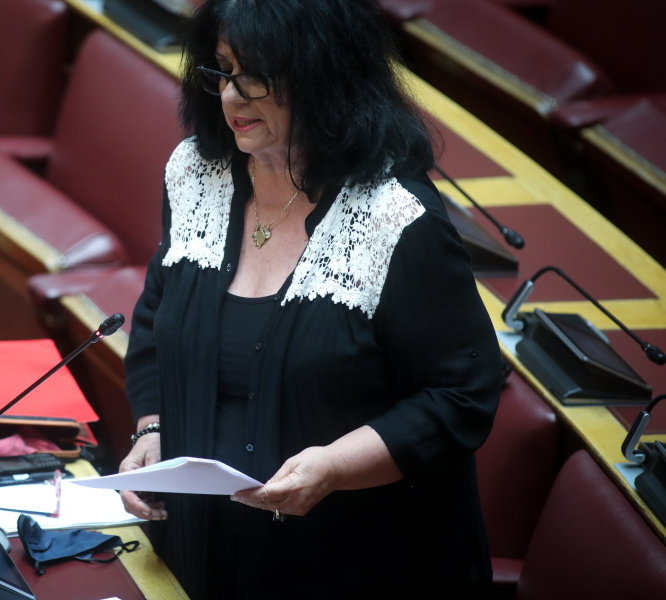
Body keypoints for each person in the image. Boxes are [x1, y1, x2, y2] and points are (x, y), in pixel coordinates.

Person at [118, 0, 503, 598]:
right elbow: (157, 316)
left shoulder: (394, 219)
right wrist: (155, 428)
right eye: (223, 71)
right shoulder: (198, 174)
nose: (231, 97)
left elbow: (460, 396)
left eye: (255, 78)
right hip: (204, 548)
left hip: (350, 561)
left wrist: (333, 467)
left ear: (323, 77)